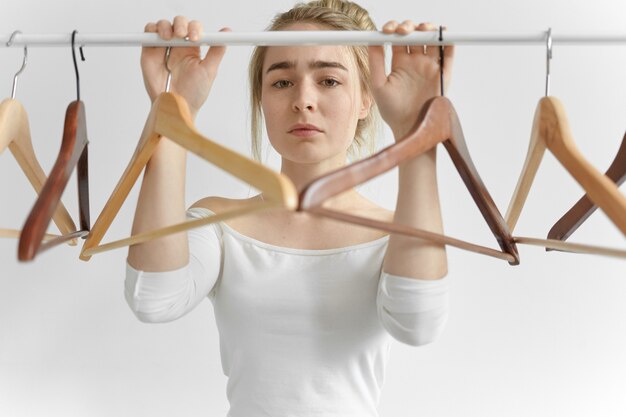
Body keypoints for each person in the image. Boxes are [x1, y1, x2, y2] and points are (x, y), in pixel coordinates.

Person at [125, 0, 453, 415]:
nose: (303, 100)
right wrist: (173, 114)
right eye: (281, 82)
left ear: (366, 99)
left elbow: (418, 324)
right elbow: (153, 299)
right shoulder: (221, 224)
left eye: (329, 81)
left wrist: (415, 130)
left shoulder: (396, 234)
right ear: (261, 98)